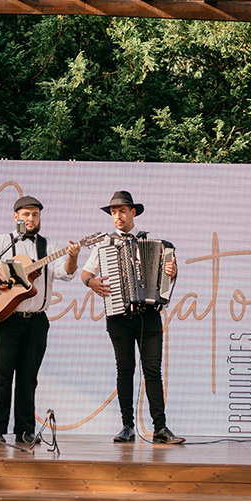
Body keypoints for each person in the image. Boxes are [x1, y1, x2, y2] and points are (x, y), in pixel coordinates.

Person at [0, 195, 80, 445]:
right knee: (1, 376)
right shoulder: (1, 242)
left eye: (35, 215)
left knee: (29, 378)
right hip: (5, 318)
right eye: (26, 214)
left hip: (36, 321)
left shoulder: (49, 247)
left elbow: (66, 273)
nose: (30, 219)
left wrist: (73, 256)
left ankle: (25, 430)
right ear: (15, 216)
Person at [81, 190, 185, 445]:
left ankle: (160, 428)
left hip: (149, 316)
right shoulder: (103, 245)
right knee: (124, 370)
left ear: (133, 213)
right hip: (118, 316)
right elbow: (85, 274)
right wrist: (91, 282)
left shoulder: (153, 240)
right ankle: (127, 426)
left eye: (122, 211)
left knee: (153, 371)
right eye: (114, 212)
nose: (118, 216)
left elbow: (169, 271)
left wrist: (172, 270)